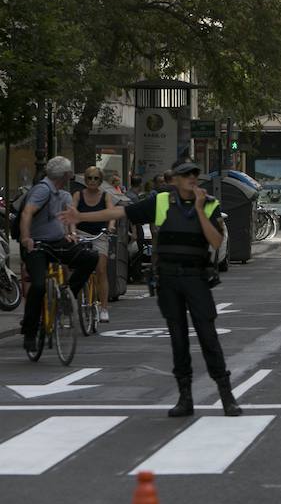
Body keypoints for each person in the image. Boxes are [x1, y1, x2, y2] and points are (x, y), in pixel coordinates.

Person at [60, 161, 241, 417]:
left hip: (196, 278)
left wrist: (200, 210)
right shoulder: (161, 201)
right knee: (178, 340)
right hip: (168, 279)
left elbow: (215, 240)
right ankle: (185, 397)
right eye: (185, 175)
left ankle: (227, 396)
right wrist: (80, 217)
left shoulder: (209, 203)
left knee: (208, 337)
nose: (192, 178)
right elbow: (120, 213)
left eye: (194, 174)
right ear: (175, 180)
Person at [20, 156, 99, 352]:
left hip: (57, 243)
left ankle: (67, 296)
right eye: (70, 172)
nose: (71, 175)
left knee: (90, 257)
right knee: (38, 285)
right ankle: (30, 332)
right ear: (65, 175)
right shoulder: (43, 190)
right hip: (37, 245)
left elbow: (69, 214)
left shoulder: (61, 193)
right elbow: (27, 213)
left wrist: (72, 233)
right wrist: (26, 238)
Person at [72, 166, 116, 323]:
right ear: (85, 180)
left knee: (101, 270)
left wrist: (111, 226)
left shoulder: (105, 196)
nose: (92, 181)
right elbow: (72, 214)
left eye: (96, 178)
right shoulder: (78, 195)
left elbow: (112, 213)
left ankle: (103, 308)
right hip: (81, 234)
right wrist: (73, 231)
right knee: (77, 268)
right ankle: (74, 301)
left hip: (99, 235)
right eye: (89, 178)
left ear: (100, 180)